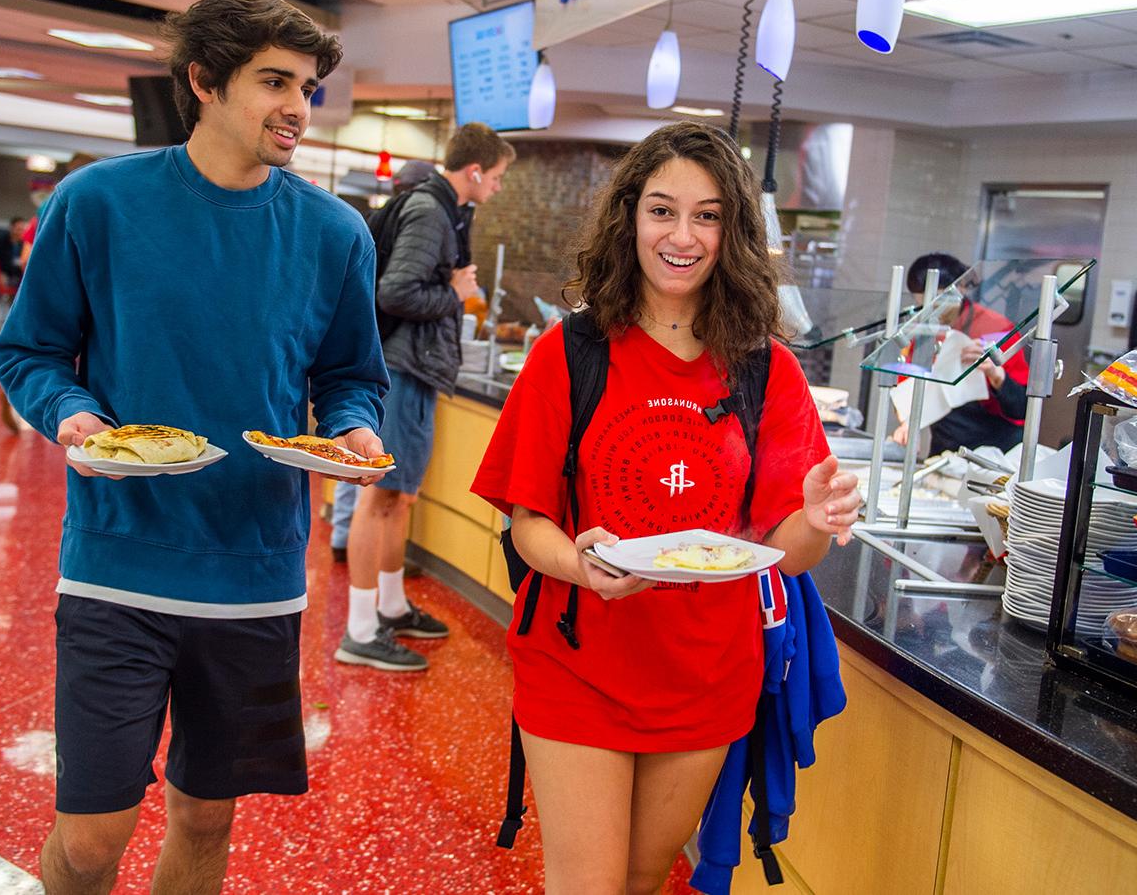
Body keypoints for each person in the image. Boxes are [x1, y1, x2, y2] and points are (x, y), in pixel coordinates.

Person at [0, 0, 389, 895]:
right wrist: (73, 416)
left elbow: (348, 377)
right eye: (275, 80)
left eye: (309, 85)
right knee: (92, 840)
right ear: (204, 81)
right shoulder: (98, 201)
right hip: (116, 563)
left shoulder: (335, 235)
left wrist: (355, 431)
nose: (298, 104)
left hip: (254, 572)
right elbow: (32, 351)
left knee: (208, 816)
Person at [470, 121, 861, 894]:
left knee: (644, 878)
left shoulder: (765, 370)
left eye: (708, 215)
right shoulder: (571, 352)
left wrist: (815, 516)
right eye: (662, 210)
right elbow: (528, 519)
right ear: (629, 218)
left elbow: (787, 552)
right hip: (578, 655)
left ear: (732, 232)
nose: (683, 235)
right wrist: (580, 564)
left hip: (707, 669)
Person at [334, 123, 515, 671]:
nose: (500, 188)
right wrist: (455, 293)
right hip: (402, 366)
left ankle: (389, 608)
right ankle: (360, 629)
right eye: (500, 177)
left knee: (398, 497)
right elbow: (396, 290)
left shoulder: (447, 210)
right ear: (476, 170)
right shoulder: (431, 211)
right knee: (380, 496)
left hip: (413, 366)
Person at [328, 157, 438, 564]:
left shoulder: (377, 224)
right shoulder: (411, 227)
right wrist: (453, 293)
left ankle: (341, 535)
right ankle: (364, 611)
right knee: (376, 485)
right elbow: (396, 294)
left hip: (374, 348)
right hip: (394, 357)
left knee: (353, 449)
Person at [891, 252, 1029, 455]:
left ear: (961, 289)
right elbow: (909, 385)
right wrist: (907, 422)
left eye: (939, 304)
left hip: (998, 449)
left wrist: (995, 374)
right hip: (946, 448)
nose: (933, 313)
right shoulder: (924, 330)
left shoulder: (996, 328)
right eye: (925, 306)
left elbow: (1021, 407)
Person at [0, 216, 27, 284]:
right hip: (5, 273)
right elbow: (0, 262)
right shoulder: (2, 242)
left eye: (22, 230)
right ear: (11, 228)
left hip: (18, 273)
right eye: (18, 229)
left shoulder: (23, 244)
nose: (21, 232)